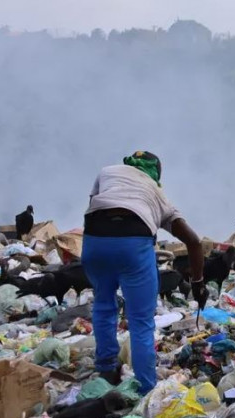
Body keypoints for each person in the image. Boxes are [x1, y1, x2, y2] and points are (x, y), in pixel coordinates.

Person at [82, 151, 206, 394]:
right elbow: (194, 242)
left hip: (94, 240)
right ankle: (145, 388)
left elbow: (97, 205)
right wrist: (199, 281)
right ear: (156, 173)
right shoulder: (158, 195)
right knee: (141, 320)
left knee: (104, 303)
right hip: (133, 243)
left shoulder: (107, 172)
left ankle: (106, 369)